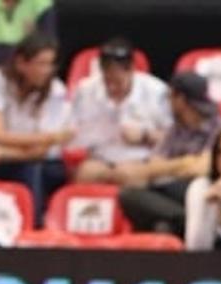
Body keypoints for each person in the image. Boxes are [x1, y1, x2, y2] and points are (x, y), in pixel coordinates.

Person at [0, 31, 72, 220]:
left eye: (50, 64)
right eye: (41, 64)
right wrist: (51, 137)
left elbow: (39, 151)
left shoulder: (56, 91)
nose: (47, 70)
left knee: (33, 170)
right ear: (21, 63)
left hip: (36, 161)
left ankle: (33, 228)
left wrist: (4, 153)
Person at [116, 73, 221, 235]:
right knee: (129, 195)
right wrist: (185, 163)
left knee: (191, 189)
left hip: (203, 194)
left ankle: (194, 221)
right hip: (168, 191)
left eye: (170, 97)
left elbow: (203, 168)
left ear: (180, 100)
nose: (168, 103)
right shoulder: (174, 131)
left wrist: (170, 168)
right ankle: (190, 220)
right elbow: (152, 167)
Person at [71, 38, 173, 184]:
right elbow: (74, 132)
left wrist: (144, 135)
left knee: (127, 175)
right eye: (107, 81)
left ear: (131, 70)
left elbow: (173, 138)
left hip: (141, 159)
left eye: (117, 82)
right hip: (100, 158)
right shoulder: (85, 90)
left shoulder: (157, 91)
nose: (112, 87)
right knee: (86, 173)